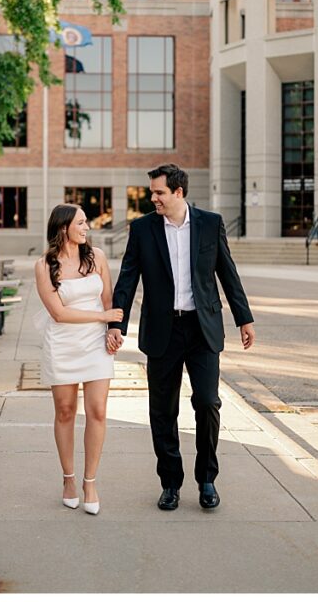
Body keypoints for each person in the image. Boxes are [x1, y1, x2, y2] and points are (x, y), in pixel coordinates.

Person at [107, 163, 256, 512]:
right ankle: (170, 483)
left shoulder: (210, 223)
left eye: (159, 192)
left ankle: (207, 479)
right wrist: (117, 323)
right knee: (163, 411)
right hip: (162, 331)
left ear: (178, 192)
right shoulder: (143, 229)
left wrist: (244, 318)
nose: (153, 198)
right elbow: (128, 278)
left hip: (202, 328)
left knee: (207, 402)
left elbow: (227, 274)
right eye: (152, 193)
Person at [34, 204, 122, 515]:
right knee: (65, 411)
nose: (87, 228)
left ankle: (90, 481)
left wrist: (112, 328)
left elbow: (109, 298)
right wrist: (102, 316)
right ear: (63, 228)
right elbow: (58, 313)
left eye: (86, 223)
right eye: (81, 223)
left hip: (96, 343)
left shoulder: (96, 257)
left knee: (97, 410)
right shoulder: (44, 265)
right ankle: (68, 479)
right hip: (63, 344)